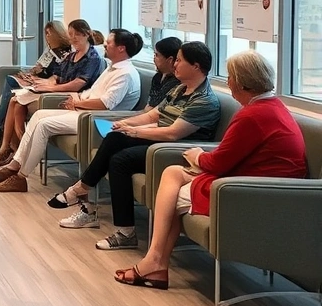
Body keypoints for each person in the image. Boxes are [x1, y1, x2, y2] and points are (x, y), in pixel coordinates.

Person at [114, 50, 307, 289]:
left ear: (242, 82)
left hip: (253, 191)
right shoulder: (271, 106)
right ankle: (155, 262)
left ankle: (154, 262)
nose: (228, 82)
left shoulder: (252, 115)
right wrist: (202, 159)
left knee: (171, 192)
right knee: (172, 173)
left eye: (230, 77)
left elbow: (219, 162)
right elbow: (233, 154)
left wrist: (199, 156)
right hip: (258, 181)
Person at [49, 41, 221, 251]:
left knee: (120, 161)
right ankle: (82, 192)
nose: (174, 64)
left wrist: (137, 132)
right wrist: (127, 124)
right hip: (159, 141)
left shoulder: (204, 100)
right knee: (114, 138)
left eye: (179, 60)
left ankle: (122, 230)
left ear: (196, 66)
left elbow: (173, 133)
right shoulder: (179, 89)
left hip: (175, 151)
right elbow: (153, 114)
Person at [0, 29, 144, 193]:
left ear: (121, 48)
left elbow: (105, 104)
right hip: (84, 111)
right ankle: (14, 165)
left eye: (110, 42)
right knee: (39, 116)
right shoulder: (112, 68)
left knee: (44, 125)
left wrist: (78, 103)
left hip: (98, 120)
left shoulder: (125, 74)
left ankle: (21, 177)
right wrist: (76, 98)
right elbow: (92, 93)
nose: (105, 44)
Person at [0, 19, 104, 167]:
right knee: (14, 101)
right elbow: (57, 75)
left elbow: (77, 84)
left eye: (77, 35)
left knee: (16, 103)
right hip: (57, 89)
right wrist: (42, 82)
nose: (73, 38)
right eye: (71, 34)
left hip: (69, 95)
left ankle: (16, 149)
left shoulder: (92, 58)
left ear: (87, 35)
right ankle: (9, 148)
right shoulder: (71, 56)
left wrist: (50, 88)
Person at [0, 20, 71, 154]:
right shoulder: (49, 51)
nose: (47, 36)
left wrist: (39, 77)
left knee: (12, 86)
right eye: (45, 33)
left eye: (49, 33)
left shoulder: (65, 53)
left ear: (58, 34)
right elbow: (43, 68)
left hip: (46, 85)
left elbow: (57, 75)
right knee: (11, 81)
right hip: (39, 80)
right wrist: (35, 71)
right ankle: (2, 138)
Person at [148, 37, 182, 109]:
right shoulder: (157, 76)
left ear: (170, 59)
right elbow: (149, 105)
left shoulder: (177, 82)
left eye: (157, 55)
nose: (154, 58)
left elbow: (154, 109)